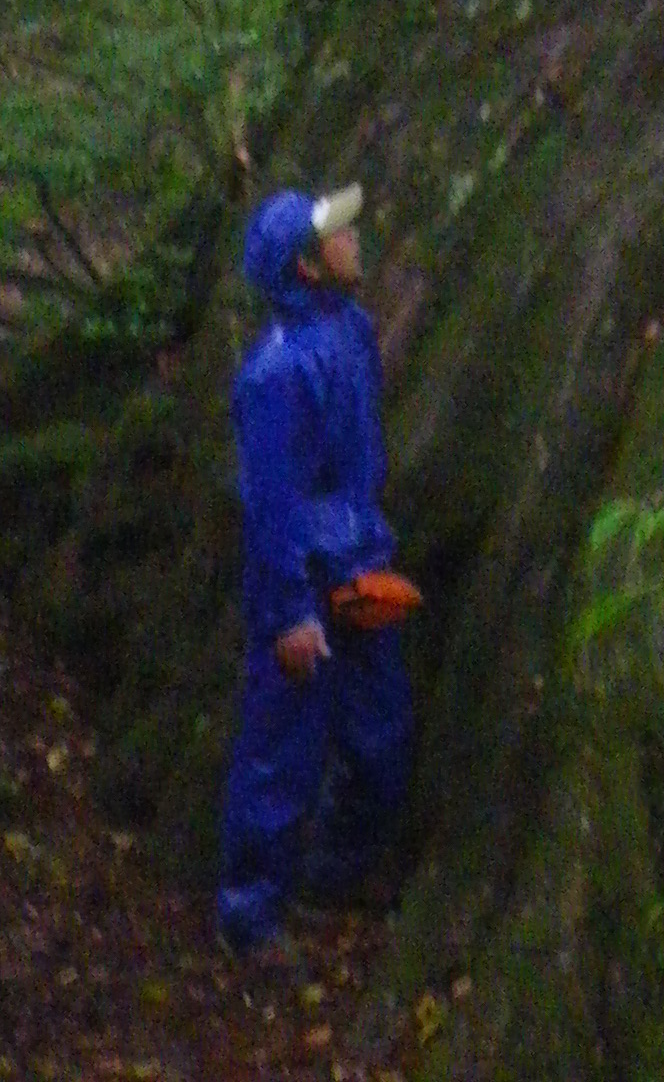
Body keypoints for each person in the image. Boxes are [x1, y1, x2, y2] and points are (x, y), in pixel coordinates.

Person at [216, 180, 417, 951]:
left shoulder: (352, 332)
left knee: (381, 738)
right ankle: (250, 922)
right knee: (278, 763)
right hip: (305, 591)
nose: (354, 239)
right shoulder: (275, 376)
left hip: (362, 573)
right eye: (337, 234)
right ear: (307, 266)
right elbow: (272, 510)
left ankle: (332, 881)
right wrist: (288, 615)